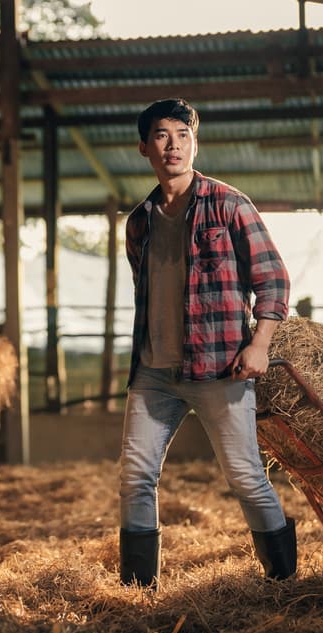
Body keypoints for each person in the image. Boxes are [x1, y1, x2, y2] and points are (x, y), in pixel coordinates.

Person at [118, 98, 296, 588]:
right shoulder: (138, 223)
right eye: (161, 135)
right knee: (135, 478)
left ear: (194, 144)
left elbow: (273, 279)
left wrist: (259, 343)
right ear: (144, 147)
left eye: (182, 134)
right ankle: (137, 591)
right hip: (154, 372)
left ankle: (282, 584)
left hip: (220, 368)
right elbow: (146, 293)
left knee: (246, 478)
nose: (172, 145)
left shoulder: (229, 204)